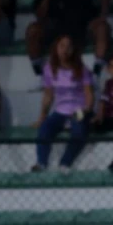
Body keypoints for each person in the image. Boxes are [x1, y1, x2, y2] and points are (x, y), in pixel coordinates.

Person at [26, 0, 112, 78]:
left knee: (102, 27)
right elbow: (40, 15)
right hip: (56, 28)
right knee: (33, 29)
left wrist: (103, 14)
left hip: (83, 24)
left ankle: (98, 70)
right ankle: (38, 72)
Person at [34, 35, 94, 172]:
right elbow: (48, 95)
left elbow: (89, 94)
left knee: (79, 131)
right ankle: (41, 163)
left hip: (79, 110)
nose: (65, 50)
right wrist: (42, 117)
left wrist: (87, 109)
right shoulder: (49, 69)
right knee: (44, 129)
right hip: (60, 111)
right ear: (56, 48)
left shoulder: (82, 69)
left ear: (73, 50)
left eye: (69, 47)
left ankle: (65, 163)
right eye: (62, 46)